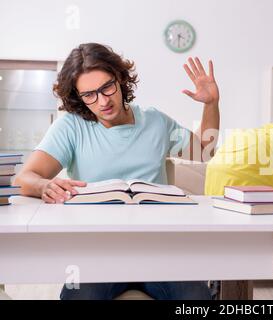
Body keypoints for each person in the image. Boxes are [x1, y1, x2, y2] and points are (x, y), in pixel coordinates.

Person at [14, 43, 220, 300]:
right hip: (98, 253)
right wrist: (44, 185)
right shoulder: (71, 127)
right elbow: (25, 178)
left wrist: (211, 104)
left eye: (107, 87)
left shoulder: (155, 121)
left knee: (195, 297)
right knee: (80, 296)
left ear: (120, 79)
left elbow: (204, 152)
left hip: (160, 250)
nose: (102, 101)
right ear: (79, 97)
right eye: (89, 95)